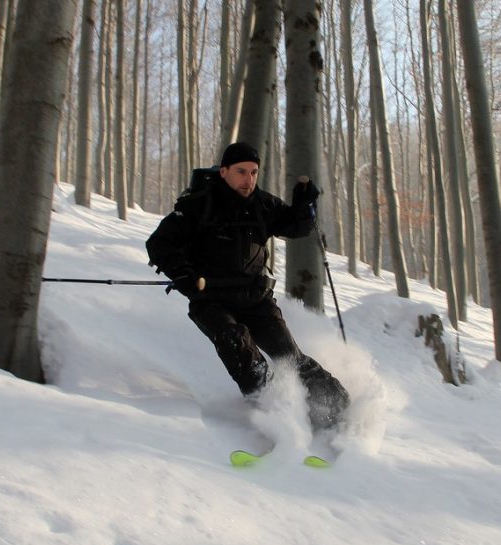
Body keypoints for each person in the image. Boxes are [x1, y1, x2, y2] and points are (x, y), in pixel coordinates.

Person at [146, 142, 350, 430]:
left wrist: (305, 205)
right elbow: (159, 244)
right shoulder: (197, 205)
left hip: (256, 298)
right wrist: (182, 273)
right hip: (210, 298)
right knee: (234, 340)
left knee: (289, 356)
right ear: (224, 171)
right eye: (241, 172)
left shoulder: (263, 205)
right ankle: (273, 411)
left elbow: (296, 226)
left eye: (254, 172)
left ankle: (339, 409)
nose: (249, 179)